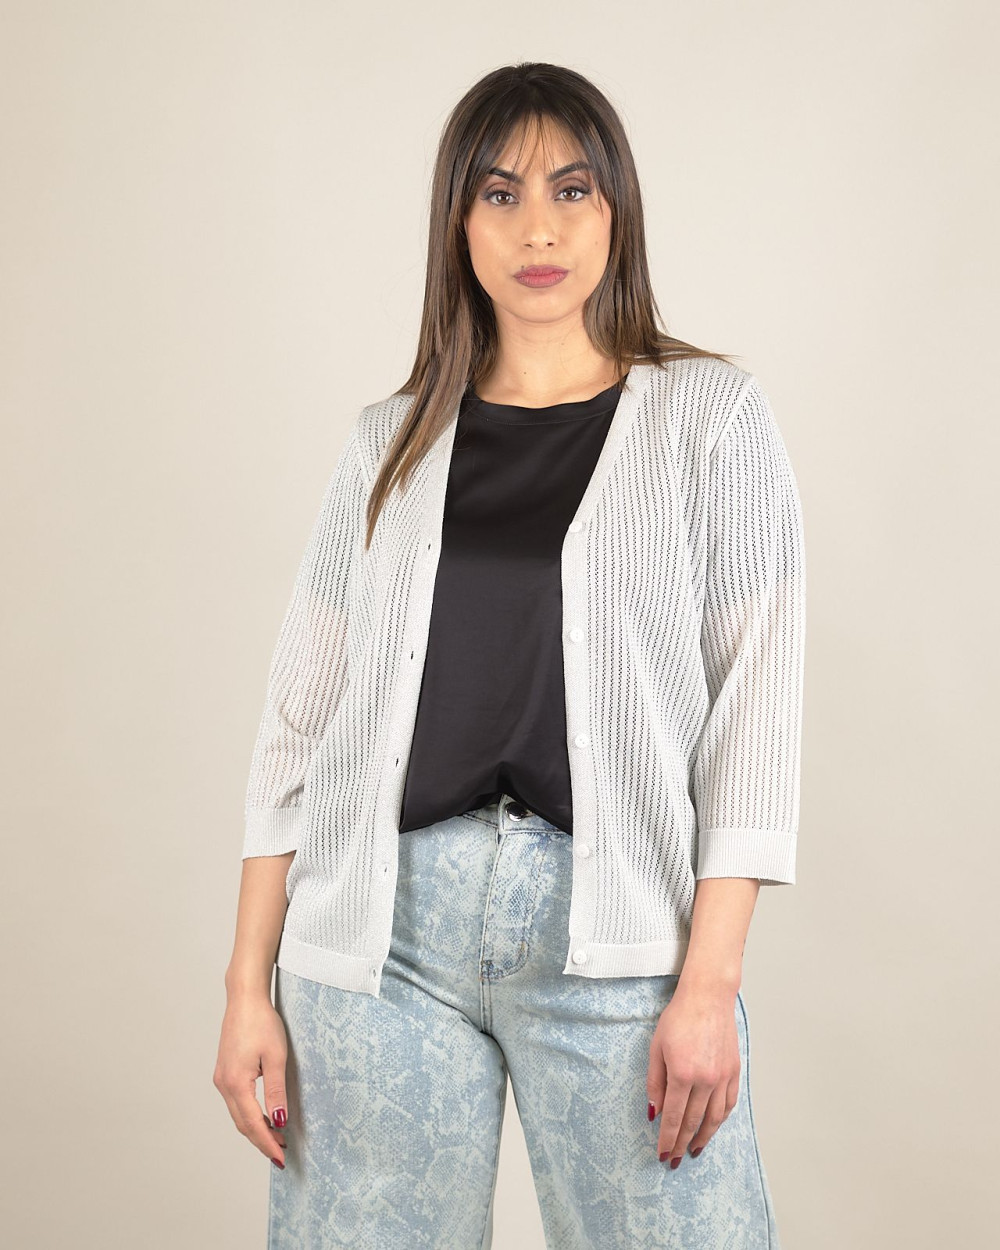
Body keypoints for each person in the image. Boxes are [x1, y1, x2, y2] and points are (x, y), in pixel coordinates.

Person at [214, 61, 806, 1250]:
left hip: (617, 931)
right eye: (499, 193)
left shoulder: (711, 420)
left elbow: (756, 715)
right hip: (380, 941)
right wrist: (246, 988)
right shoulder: (385, 442)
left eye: (571, 189)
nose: (539, 227)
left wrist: (710, 983)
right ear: (458, 222)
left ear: (616, 210)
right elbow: (297, 722)